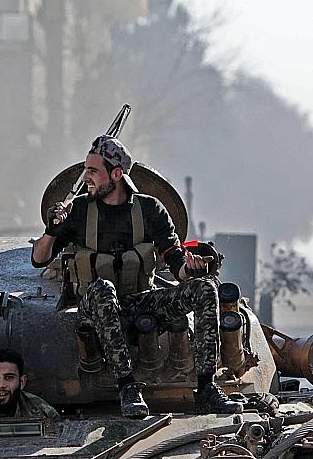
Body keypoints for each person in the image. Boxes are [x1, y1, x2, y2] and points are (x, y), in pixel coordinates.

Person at [31, 135, 238, 419]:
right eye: (86, 170)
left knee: (204, 289)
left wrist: (192, 270)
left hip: (139, 300)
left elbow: (176, 264)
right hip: (94, 307)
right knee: (103, 289)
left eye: (93, 171)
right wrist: (52, 229)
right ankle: (127, 386)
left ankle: (206, 388)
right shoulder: (78, 211)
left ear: (117, 174)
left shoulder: (150, 210)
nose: (86, 178)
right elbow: (39, 259)